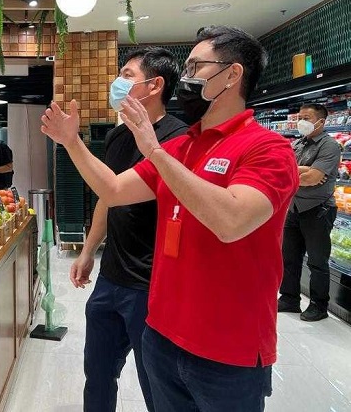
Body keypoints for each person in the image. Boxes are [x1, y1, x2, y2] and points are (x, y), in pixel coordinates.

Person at [41, 26, 299, 412]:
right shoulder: (182, 146)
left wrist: (155, 152)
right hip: (162, 334)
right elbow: (112, 190)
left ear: (232, 74)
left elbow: (230, 221)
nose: (188, 78)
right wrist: (71, 142)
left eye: (197, 66)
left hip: (227, 349)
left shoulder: (268, 149)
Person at [73, 48, 187, 412]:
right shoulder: (118, 138)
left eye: (126, 74)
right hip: (111, 278)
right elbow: (109, 196)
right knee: (98, 372)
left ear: (155, 85)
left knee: (157, 383)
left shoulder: (178, 138)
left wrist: (70, 140)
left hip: (152, 283)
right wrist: (89, 249)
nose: (117, 83)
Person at [278, 103, 340, 321]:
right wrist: (303, 172)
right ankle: (289, 298)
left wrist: (301, 174)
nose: (300, 121)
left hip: (318, 210)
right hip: (293, 208)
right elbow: (281, 171)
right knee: (289, 257)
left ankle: (318, 305)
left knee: (317, 260)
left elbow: (314, 178)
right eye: (299, 117)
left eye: (306, 117)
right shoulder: (297, 144)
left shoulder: (330, 146)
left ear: (321, 122)